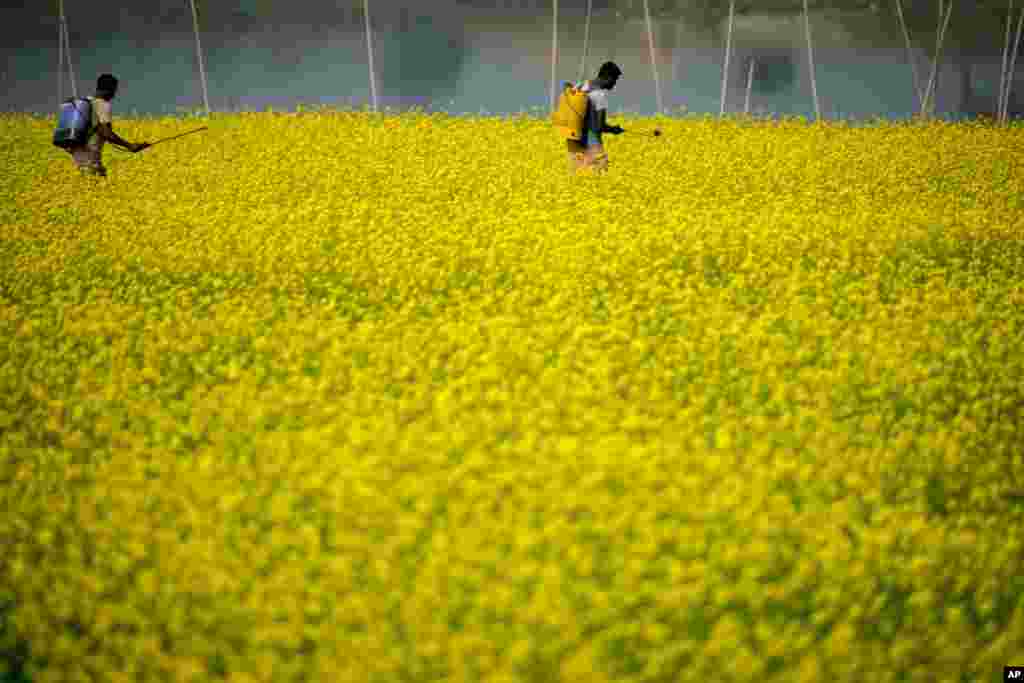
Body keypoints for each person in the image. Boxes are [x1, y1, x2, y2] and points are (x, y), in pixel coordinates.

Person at [68, 74, 149, 177]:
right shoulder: (102, 105)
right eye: (114, 90)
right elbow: (106, 132)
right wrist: (130, 146)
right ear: (110, 89)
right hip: (91, 159)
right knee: (97, 187)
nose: (114, 94)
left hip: (78, 159)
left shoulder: (85, 103)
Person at [567, 61, 625, 175]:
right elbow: (599, 126)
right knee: (601, 172)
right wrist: (613, 129)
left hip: (573, 138)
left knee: (578, 174)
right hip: (591, 140)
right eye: (615, 80)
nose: (614, 84)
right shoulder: (599, 96)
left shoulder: (581, 85)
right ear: (608, 77)